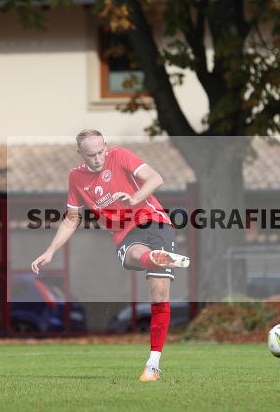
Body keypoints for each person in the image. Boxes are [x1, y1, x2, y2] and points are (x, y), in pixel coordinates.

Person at [31, 130, 190, 381]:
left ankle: (153, 363)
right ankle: (155, 258)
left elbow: (155, 178)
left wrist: (135, 198)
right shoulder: (76, 177)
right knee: (133, 256)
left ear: (106, 146)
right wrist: (50, 251)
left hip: (154, 221)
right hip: (124, 233)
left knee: (159, 293)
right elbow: (72, 218)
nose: (97, 159)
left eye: (100, 152)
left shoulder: (121, 156)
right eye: (91, 155)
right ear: (80, 154)